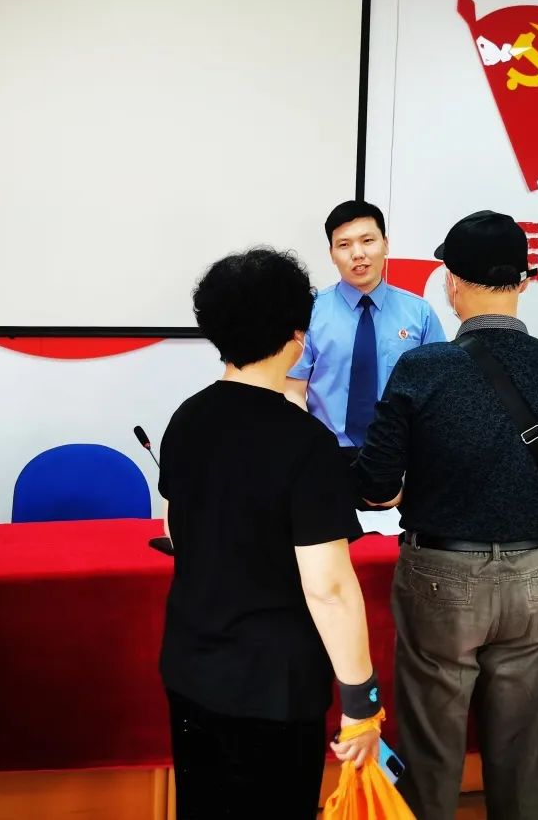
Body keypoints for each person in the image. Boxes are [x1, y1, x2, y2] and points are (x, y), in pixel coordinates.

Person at [357, 210, 538, 820]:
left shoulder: (422, 369)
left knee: (430, 746)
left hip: (441, 574)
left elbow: (374, 484)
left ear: (451, 281)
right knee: (525, 750)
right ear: (524, 281)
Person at [159, 248, 382, 819]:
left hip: (191, 668)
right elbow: (329, 587)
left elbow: (175, 527)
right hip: (272, 686)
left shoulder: (187, 418)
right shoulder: (305, 443)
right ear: (296, 336)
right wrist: (361, 698)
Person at [285, 200, 444, 468]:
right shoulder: (309, 312)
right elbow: (293, 389)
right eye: (344, 245)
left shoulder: (419, 313)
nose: (358, 254)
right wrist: (307, 448)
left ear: (386, 244)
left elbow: (436, 394)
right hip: (325, 453)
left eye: (367, 240)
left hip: (399, 456)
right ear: (332, 253)